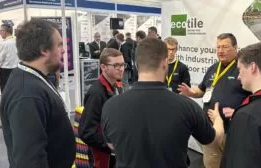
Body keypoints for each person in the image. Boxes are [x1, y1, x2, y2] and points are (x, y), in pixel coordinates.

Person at [101, 38, 224, 168]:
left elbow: (111, 144)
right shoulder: (187, 107)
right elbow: (213, 140)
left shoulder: (110, 106)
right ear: (165, 63)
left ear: (136, 65)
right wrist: (218, 121)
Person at [0, 18, 76, 167]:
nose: (64, 49)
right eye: (59, 44)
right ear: (44, 50)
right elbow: (30, 160)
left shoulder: (33, 78)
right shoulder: (27, 95)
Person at [178, 33, 250, 168]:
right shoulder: (213, 68)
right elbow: (202, 90)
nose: (220, 51)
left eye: (225, 47)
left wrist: (237, 112)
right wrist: (191, 92)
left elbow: (254, 98)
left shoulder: (242, 69)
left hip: (233, 131)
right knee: (211, 164)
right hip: (210, 130)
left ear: (235, 47)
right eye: (218, 47)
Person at [79, 48, 125, 168]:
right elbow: (86, 132)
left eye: (122, 64)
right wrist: (109, 145)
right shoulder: (96, 93)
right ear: (103, 67)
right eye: (116, 65)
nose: (121, 68)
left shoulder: (118, 85)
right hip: (102, 156)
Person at [0, 23, 19, 92]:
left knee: (5, 92)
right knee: (16, 91)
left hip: (6, 72)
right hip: (17, 70)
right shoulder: (17, 41)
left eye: (0, 31)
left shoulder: (4, 44)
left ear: (4, 32)